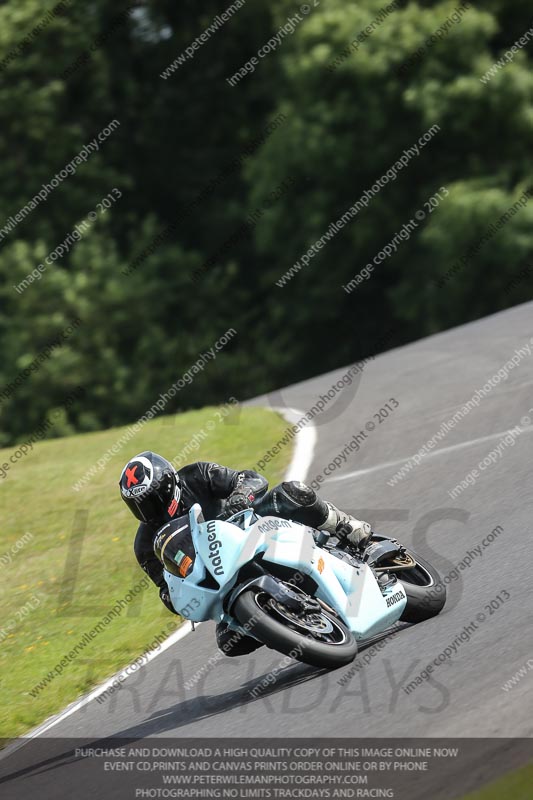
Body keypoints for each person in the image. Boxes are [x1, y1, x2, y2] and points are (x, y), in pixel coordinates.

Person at [119, 451, 371, 656]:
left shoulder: (197, 476)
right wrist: (172, 596)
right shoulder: (145, 546)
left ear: (169, 485)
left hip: (253, 529)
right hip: (221, 577)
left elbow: (250, 479)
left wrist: (241, 495)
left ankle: (343, 525)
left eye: (152, 499)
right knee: (231, 641)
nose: (148, 510)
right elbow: (166, 586)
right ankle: (286, 622)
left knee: (292, 493)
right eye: (138, 505)